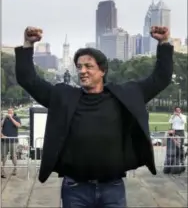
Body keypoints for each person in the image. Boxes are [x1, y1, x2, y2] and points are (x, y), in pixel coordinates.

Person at [15, 26, 173, 207]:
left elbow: (160, 78)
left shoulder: (125, 95)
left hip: (112, 188)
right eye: (79, 66)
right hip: (75, 189)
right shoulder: (63, 97)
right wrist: (28, 44)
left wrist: (164, 42)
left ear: (102, 71)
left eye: (89, 66)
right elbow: (28, 79)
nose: (82, 71)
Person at [1, 108, 21, 178]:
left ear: (13, 112)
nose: (9, 113)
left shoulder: (16, 118)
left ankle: (15, 169)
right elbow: (0, 126)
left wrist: (11, 118)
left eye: (10, 111)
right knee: (3, 156)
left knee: (13, 155)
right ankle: (2, 171)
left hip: (13, 141)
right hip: (4, 141)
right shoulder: (4, 119)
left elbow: (18, 125)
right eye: (8, 111)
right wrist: (3, 118)